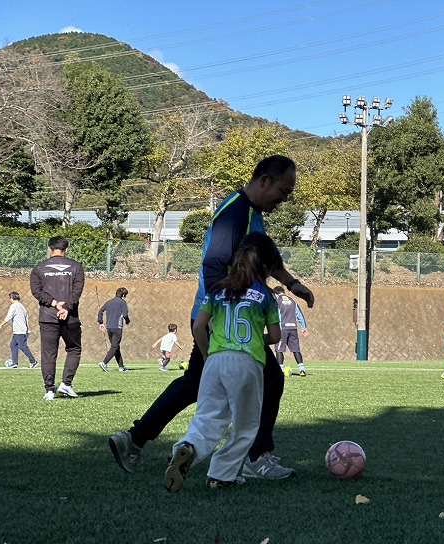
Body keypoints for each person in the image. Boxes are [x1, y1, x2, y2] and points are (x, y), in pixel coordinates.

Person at [109, 155, 314, 479]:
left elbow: (265, 258)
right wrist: (224, 313)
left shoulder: (251, 214)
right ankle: (255, 457)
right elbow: (214, 264)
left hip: (219, 316)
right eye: (283, 191)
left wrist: (293, 283)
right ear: (264, 181)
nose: (285, 199)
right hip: (221, 319)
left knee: (197, 382)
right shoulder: (235, 213)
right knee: (269, 380)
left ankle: (134, 439)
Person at [165, 233, 282, 492]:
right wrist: (256, 338)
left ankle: (188, 446)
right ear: (265, 267)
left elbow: (198, 326)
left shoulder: (217, 289)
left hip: (216, 361)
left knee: (208, 416)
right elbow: (276, 336)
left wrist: (207, 355)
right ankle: (221, 475)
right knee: (246, 426)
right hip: (247, 363)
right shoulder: (265, 296)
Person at [29, 236, 85, 401]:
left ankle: (49, 390)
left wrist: (54, 303)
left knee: (48, 354)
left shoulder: (39, 268)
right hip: (70, 317)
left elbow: (36, 292)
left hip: (47, 317)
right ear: (66, 250)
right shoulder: (76, 267)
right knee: (74, 349)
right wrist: (66, 307)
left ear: (49, 249)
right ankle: (66, 384)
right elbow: (76, 292)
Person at [272, 285, 310, 377]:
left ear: (276, 294)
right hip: (293, 328)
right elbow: (299, 314)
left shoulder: (277, 301)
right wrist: (304, 328)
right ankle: (302, 370)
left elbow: (276, 315)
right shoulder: (292, 300)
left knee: (279, 350)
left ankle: (280, 370)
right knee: (296, 349)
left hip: (282, 328)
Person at [0, 291, 37, 369]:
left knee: (22, 346)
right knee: (13, 345)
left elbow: (9, 316)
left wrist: (0, 325)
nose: (9, 300)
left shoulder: (14, 306)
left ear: (12, 298)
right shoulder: (22, 306)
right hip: (21, 330)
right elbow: (26, 318)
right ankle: (15, 363)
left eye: (9, 298)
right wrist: (28, 329)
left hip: (19, 331)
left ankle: (33, 361)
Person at [97, 287, 131, 373]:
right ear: (123, 295)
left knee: (116, 347)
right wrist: (127, 321)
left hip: (109, 327)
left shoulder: (109, 302)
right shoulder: (122, 302)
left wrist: (101, 322)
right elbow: (125, 315)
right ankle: (104, 363)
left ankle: (121, 366)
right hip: (117, 327)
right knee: (114, 347)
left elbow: (100, 311)